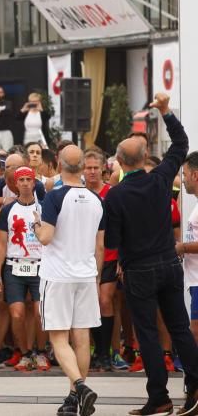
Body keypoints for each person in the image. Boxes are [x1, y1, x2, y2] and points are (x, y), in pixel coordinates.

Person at [105, 94, 198, 416]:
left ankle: (159, 398)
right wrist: (165, 111)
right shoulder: (161, 179)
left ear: (118, 161)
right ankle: (196, 387)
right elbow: (181, 143)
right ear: (145, 158)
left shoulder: (115, 195)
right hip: (169, 264)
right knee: (180, 328)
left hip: (139, 270)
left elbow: (113, 241)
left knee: (147, 334)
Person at [35, 145, 102, 416]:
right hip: (86, 274)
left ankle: (80, 387)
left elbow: (46, 237)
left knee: (59, 338)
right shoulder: (96, 199)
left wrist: (36, 225)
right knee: (82, 338)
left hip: (58, 274)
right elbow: (100, 246)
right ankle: (75, 398)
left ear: (59, 165)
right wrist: (95, 276)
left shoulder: (54, 197)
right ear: (83, 166)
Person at [0, 166, 44, 372]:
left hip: (40, 265)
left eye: (27, 179)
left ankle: (40, 352)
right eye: (20, 180)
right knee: (16, 313)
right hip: (15, 266)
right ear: (15, 183)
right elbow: (2, 244)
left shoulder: (44, 207)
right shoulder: (8, 210)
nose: (24, 183)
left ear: (33, 183)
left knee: (40, 312)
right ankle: (24, 353)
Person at [85, 149, 118, 373]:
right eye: (88, 168)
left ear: (104, 169)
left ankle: (105, 353)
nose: (93, 172)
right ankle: (96, 351)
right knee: (89, 305)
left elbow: (123, 226)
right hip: (84, 257)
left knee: (104, 300)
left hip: (109, 255)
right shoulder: (76, 193)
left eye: (96, 167)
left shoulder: (112, 194)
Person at [179, 153, 198, 348]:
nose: (183, 180)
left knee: (195, 332)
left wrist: (182, 247)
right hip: (194, 281)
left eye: (185, 175)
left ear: (195, 175)